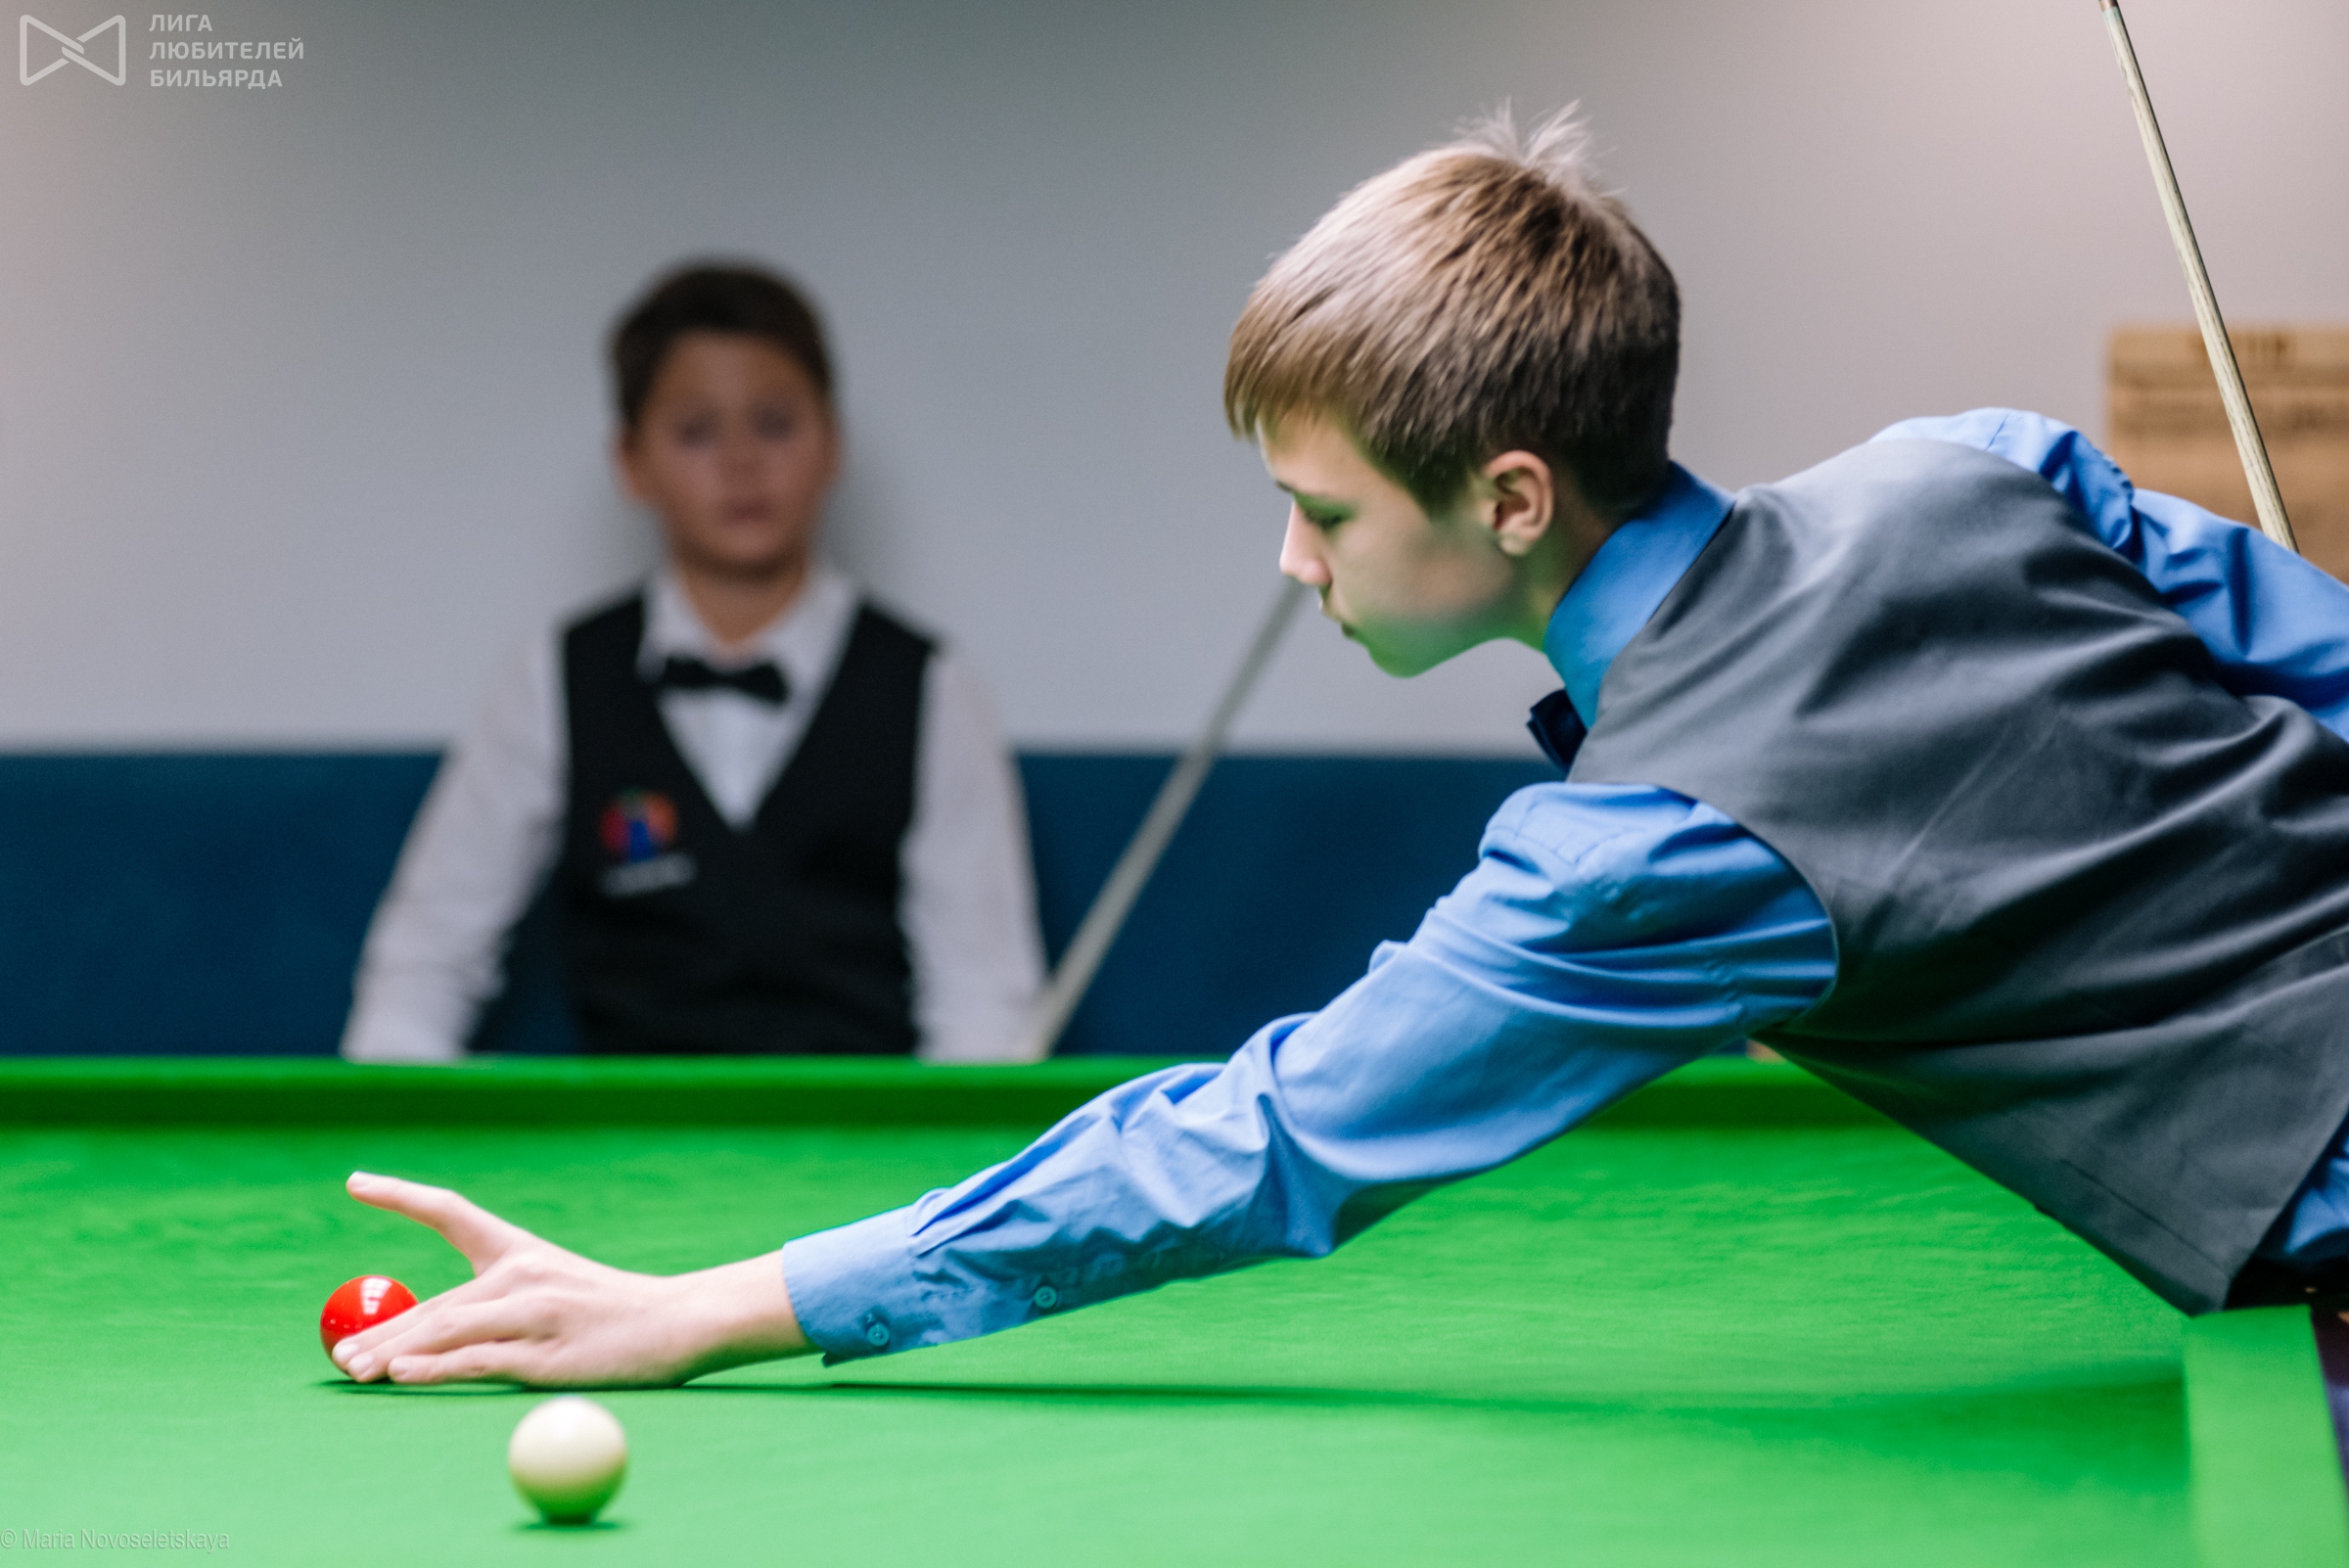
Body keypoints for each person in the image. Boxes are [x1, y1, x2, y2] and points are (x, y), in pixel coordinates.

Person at [330, 113, 2349, 1389]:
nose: (1294, 562)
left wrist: (711, 1303)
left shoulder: (1653, 847)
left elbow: (1263, 1139)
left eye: (1324, 509)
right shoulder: (1975, 461)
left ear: (1513, 495)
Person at [340, 263, 1045, 1064]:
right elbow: (425, 967)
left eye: (774, 424)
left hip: (861, 1137)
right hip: (623, 1136)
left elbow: (982, 1003)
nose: (741, 461)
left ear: (832, 444)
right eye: (696, 431)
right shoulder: (551, 678)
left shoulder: (933, 686)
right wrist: (384, 1123)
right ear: (631, 461)